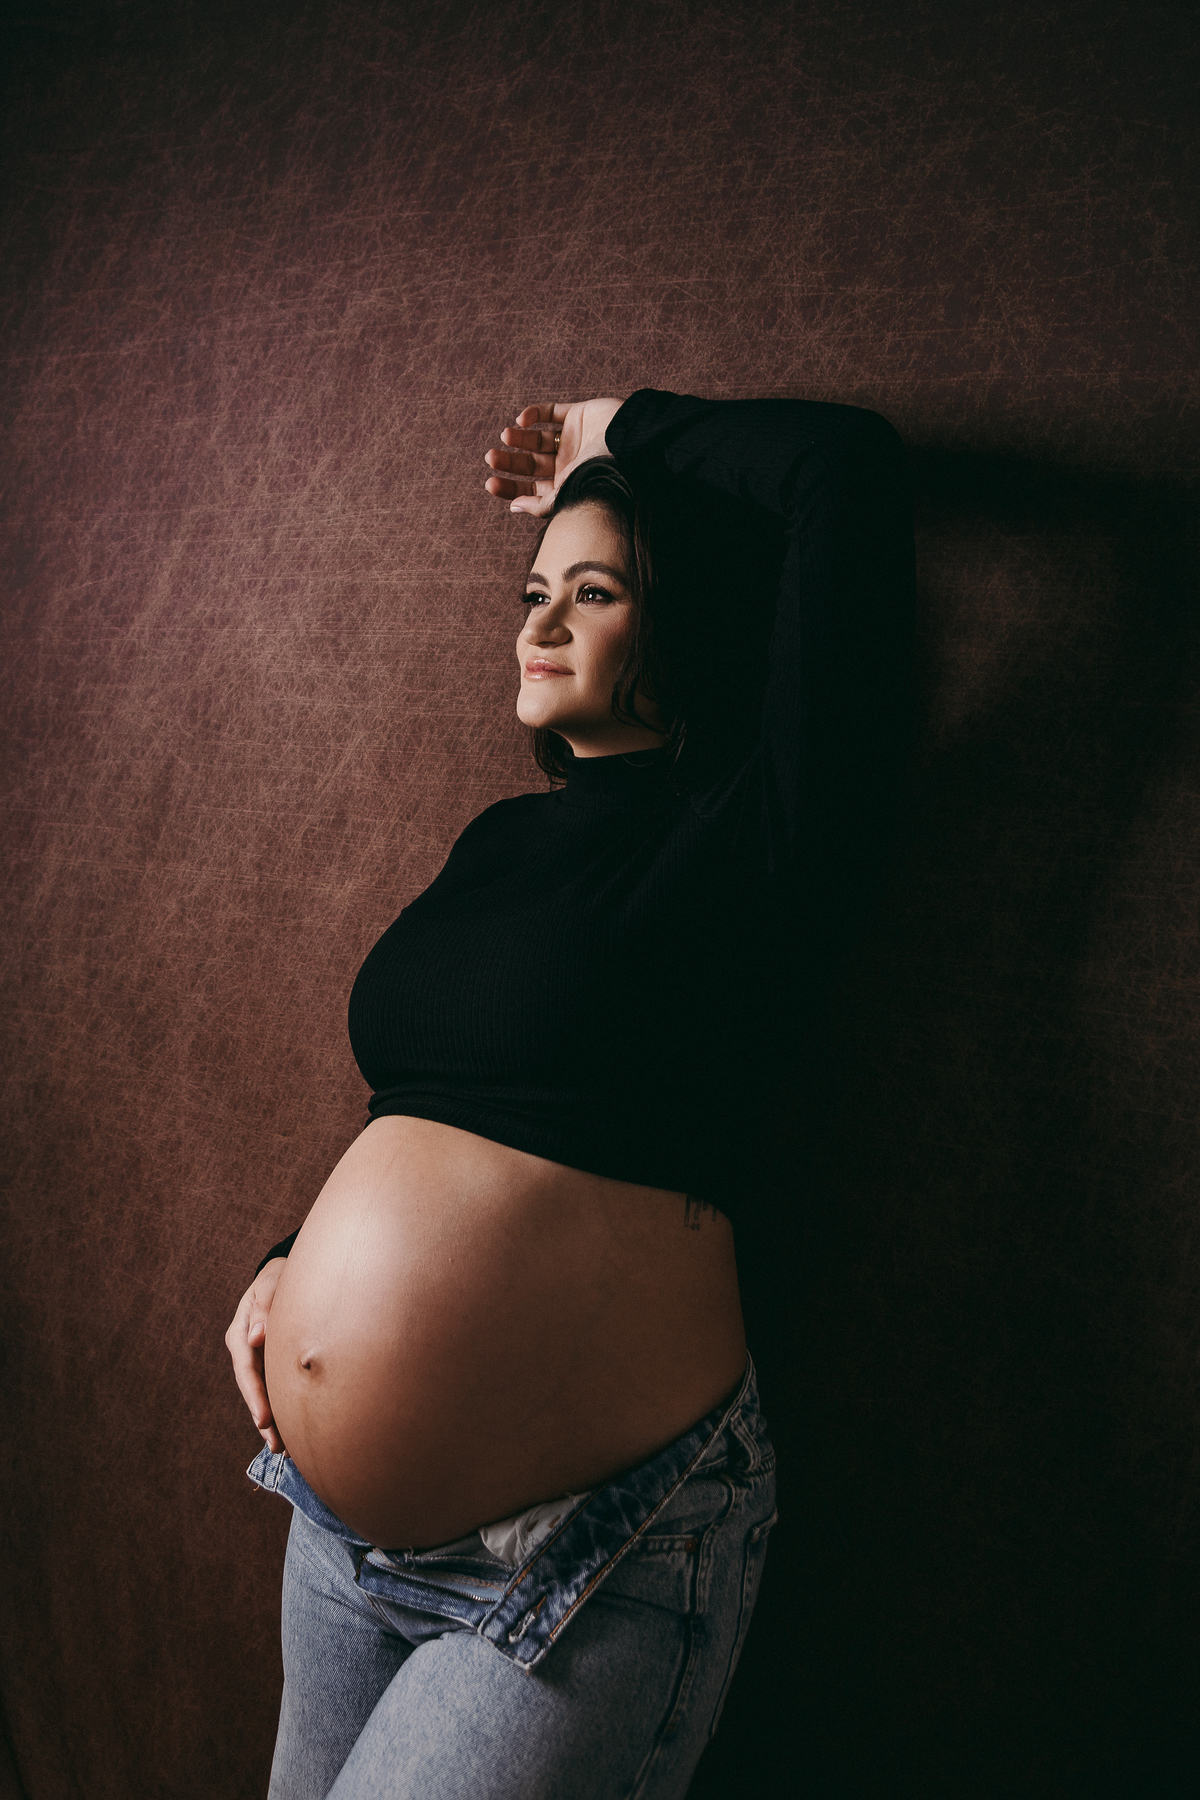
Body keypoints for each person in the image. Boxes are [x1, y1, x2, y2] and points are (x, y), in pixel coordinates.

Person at [224, 388, 914, 1798]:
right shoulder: (500, 841)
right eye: (534, 591)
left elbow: (845, 467)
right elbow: (435, 1097)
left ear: (685, 622)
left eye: (593, 593)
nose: (537, 623)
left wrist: (611, 431)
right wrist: (295, 1266)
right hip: (339, 1538)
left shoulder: (760, 832)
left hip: (592, 1554)